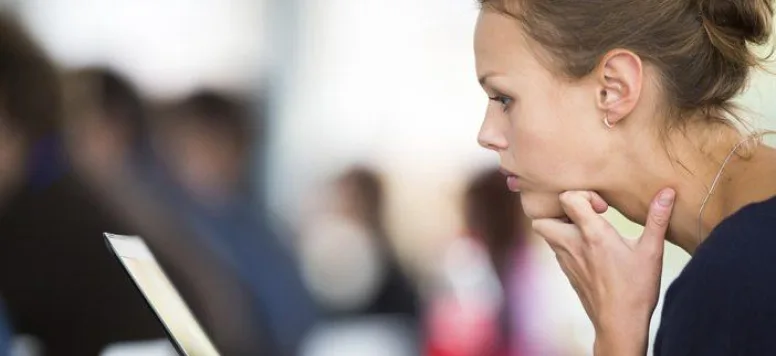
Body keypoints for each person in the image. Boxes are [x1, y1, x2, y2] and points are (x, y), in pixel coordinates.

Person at [473, 0, 776, 355]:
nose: (486, 134)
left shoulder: (733, 291)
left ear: (613, 89)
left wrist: (617, 343)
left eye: (504, 99)